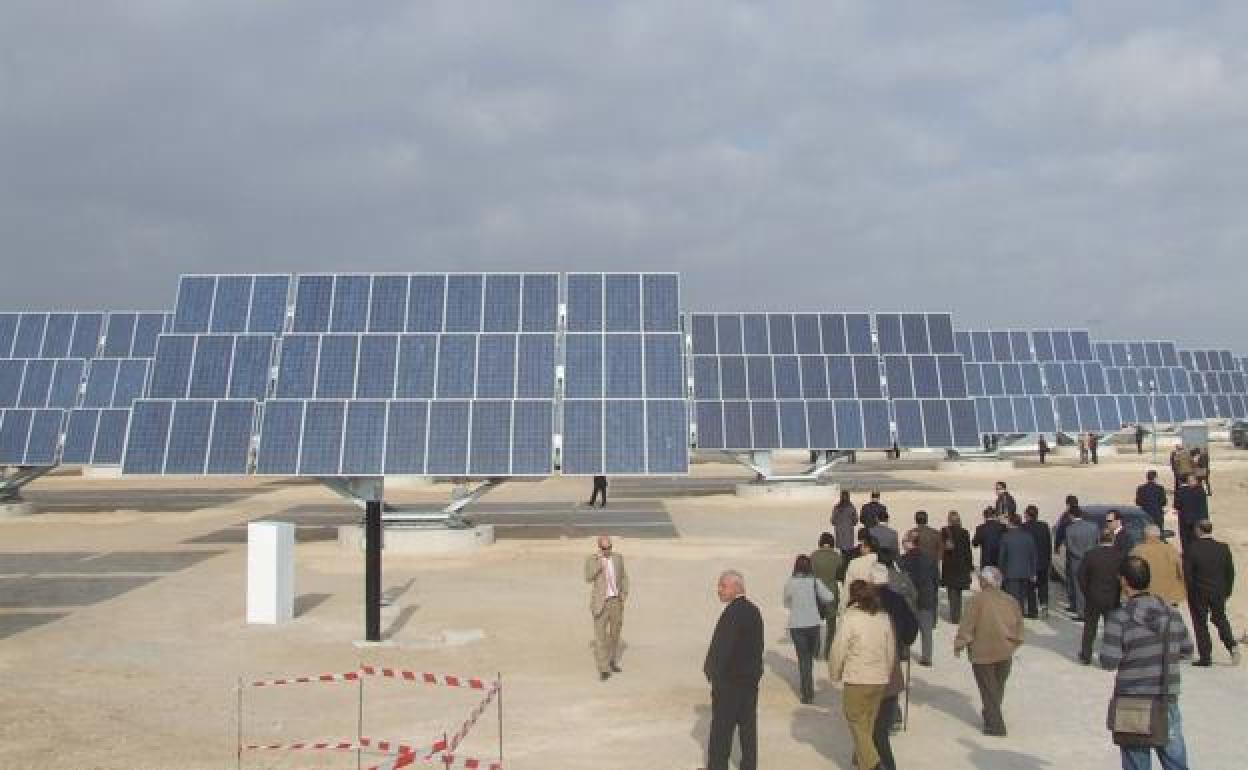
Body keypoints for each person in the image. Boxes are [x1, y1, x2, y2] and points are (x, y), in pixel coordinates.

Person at [1100, 556, 1194, 769]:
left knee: (1136, 763)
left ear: (1124, 581)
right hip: (1166, 697)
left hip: (1132, 701)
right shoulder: (1172, 614)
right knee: (1175, 762)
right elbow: (1187, 650)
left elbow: (1109, 661)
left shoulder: (1119, 618)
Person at [829, 580, 896, 770]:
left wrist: (835, 672)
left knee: (855, 719)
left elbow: (839, 648)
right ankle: (860, 762)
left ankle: (873, 763)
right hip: (879, 678)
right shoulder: (883, 618)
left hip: (857, 678)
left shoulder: (851, 619)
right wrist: (886, 671)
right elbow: (890, 649)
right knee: (867, 723)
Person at [703, 570, 763, 770]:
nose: (718, 590)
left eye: (723, 586)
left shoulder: (732, 613)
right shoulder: (754, 611)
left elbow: (721, 648)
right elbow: (758, 647)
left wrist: (712, 672)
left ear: (737, 587)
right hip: (749, 682)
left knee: (721, 730)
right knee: (748, 729)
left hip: (730, 683)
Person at [955, 566, 1024, 737]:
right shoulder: (1011, 600)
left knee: (988, 690)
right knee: (996, 688)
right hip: (1005, 651)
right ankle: (990, 714)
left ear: (985, 582)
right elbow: (1019, 626)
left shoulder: (976, 601)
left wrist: (960, 643)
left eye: (980, 580)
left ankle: (995, 726)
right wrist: (1014, 643)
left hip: (982, 652)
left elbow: (967, 625)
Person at [869, 564, 917, 767]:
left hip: (871, 655)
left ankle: (868, 751)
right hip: (894, 650)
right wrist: (906, 640)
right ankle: (891, 717)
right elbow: (912, 625)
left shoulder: (867, 601)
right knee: (891, 684)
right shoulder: (898, 599)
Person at [1184, 520, 1241, 667]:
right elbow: (1230, 572)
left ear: (1198, 530)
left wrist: (1190, 591)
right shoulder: (1223, 548)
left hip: (1198, 592)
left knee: (1200, 623)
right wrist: (1227, 591)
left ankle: (1205, 656)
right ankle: (1232, 646)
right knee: (1220, 619)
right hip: (1218, 591)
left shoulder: (1192, 548)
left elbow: (1188, 574)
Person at [784, 555, 836, 703]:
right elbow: (829, 597)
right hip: (813, 623)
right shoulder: (815, 581)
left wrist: (796, 605)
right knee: (810, 658)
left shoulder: (790, 583)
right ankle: (808, 687)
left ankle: (807, 693)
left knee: (803, 659)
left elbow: (785, 602)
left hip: (796, 625)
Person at [584, 535, 629, 681]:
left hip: (615, 602)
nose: (608, 550)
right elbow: (588, 577)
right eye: (604, 548)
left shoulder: (618, 558)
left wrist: (623, 595)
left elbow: (624, 577)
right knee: (600, 638)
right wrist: (599, 564)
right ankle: (604, 669)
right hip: (600, 603)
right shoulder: (592, 560)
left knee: (615, 634)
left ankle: (612, 661)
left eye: (610, 547)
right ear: (599, 548)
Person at [1078, 530, 1124, 665]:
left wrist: (1086, 592)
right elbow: (1123, 577)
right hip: (1113, 597)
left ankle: (1086, 656)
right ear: (1113, 540)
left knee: (1090, 627)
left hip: (1093, 596)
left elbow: (1081, 576)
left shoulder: (1090, 555)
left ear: (1099, 539)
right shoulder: (1120, 556)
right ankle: (1109, 657)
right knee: (1111, 629)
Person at [900, 531, 939, 666]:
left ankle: (904, 651)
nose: (902, 544)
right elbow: (935, 578)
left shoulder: (903, 560)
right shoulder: (930, 558)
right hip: (926, 596)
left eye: (904, 541)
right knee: (926, 630)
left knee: (905, 626)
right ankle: (927, 657)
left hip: (909, 598)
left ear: (910, 543)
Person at [1131, 525, 1186, 608]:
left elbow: (1131, 574)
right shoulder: (1170, 549)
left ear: (1145, 535)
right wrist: (1183, 588)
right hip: (1170, 597)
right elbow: (1181, 571)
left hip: (1148, 597)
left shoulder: (1137, 551)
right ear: (1159, 535)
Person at [1063, 506, 1101, 620]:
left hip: (1077, 561)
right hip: (1092, 561)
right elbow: (1097, 542)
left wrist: (1081, 555)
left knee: (1079, 588)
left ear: (1071, 515)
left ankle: (1082, 613)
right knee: (1091, 586)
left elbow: (1070, 547)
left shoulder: (1069, 529)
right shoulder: (1094, 526)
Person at [810, 533, 842, 660]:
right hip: (832, 592)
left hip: (817, 592)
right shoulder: (837, 556)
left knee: (816, 622)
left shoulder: (814, 556)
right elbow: (840, 575)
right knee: (831, 625)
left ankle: (815, 650)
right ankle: (829, 652)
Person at [998, 513, 1037, 612]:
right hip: (1026, 572)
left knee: (1012, 599)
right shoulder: (1028, 536)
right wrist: (1033, 572)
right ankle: (1020, 615)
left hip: (1011, 573)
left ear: (1010, 523)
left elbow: (1002, 557)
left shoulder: (1005, 537)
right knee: (1021, 599)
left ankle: (1014, 617)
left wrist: (1000, 572)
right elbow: (1033, 555)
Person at [942, 510, 974, 624]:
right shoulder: (964, 532)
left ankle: (954, 616)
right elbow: (968, 551)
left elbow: (942, 548)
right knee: (959, 592)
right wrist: (970, 566)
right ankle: (958, 615)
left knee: (951, 592)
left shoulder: (944, 531)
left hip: (949, 565)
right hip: (961, 565)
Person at [1022, 505, 1052, 618]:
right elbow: (1048, 544)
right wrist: (1048, 560)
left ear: (1027, 515)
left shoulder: (1024, 527)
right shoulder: (1044, 526)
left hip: (1030, 562)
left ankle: (1033, 610)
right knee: (1043, 586)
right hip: (1043, 562)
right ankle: (1044, 607)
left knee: (1030, 587)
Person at [1173, 474, 1208, 551]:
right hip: (1197, 519)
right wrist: (1205, 518)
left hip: (1185, 519)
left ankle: (1187, 555)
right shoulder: (1201, 490)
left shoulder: (1180, 491)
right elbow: (1204, 506)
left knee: (1185, 540)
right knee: (1197, 539)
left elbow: (1176, 506)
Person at [844, 535, 880, 609]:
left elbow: (847, 585)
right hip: (877, 603)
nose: (860, 548)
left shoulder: (854, 562)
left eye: (861, 546)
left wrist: (844, 606)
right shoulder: (882, 563)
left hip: (858, 602)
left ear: (867, 548)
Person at [912, 510, 943, 576]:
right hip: (932, 567)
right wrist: (936, 561)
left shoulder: (911, 533)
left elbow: (907, 549)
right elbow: (941, 549)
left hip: (917, 568)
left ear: (916, 520)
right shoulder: (935, 533)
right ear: (926, 520)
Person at [831, 491, 859, 563]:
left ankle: (843, 563)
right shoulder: (852, 507)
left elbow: (833, 521)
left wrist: (838, 523)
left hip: (840, 532)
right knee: (849, 551)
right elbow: (855, 520)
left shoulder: (836, 507)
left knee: (842, 551)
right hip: (848, 532)